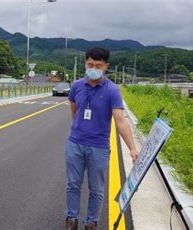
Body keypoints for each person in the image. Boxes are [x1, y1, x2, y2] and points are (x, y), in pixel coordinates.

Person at [64, 47, 139, 230]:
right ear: (85, 63)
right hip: (75, 144)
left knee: (96, 189)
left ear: (106, 66)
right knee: (73, 184)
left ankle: (91, 222)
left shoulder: (112, 90)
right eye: (90, 64)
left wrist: (132, 148)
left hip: (99, 147)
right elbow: (74, 109)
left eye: (98, 65)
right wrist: (78, 128)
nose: (93, 68)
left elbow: (120, 121)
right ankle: (71, 219)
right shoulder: (77, 86)